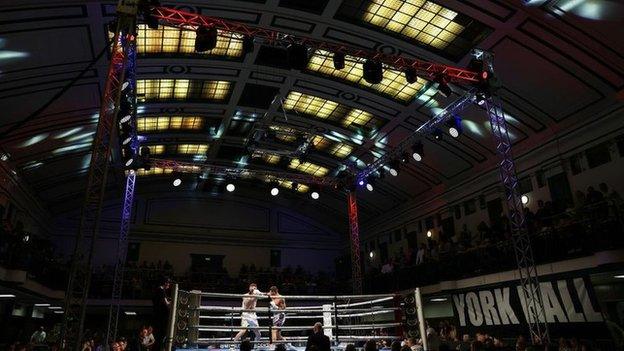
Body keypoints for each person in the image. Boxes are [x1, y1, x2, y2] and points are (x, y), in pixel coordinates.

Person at [152, 277, 171, 351]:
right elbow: (167, 304)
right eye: (168, 283)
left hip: (159, 316)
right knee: (161, 336)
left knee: (160, 337)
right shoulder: (160, 290)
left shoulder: (159, 290)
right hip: (161, 317)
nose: (169, 285)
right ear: (165, 283)